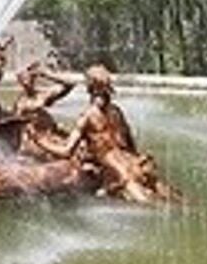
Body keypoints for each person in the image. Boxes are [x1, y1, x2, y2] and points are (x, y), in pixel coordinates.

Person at [58, 65, 179, 204]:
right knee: (178, 202)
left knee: (149, 206)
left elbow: (66, 151)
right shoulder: (116, 112)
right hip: (136, 163)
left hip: (120, 173)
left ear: (89, 88)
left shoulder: (86, 117)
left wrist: (40, 141)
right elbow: (130, 143)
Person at [10, 61, 75, 160]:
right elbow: (17, 128)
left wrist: (47, 74)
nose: (25, 81)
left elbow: (70, 84)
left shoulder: (43, 95)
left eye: (27, 77)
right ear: (20, 82)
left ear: (34, 78)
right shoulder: (20, 104)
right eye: (22, 78)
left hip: (53, 134)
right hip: (40, 140)